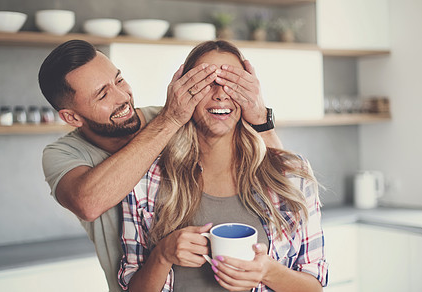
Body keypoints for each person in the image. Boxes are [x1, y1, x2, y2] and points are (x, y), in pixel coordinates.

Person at [39, 39, 283, 291]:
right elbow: (88, 203)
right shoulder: (63, 153)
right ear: (72, 117)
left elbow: (285, 189)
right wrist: (171, 118)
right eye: (103, 94)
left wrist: (261, 120)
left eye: (119, 80)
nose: (123, 97)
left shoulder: (182, 116)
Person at [119, 40, 328, 292]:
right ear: (183, 92)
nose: (220, 94)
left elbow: (314, 286)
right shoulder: (145, 179)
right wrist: (162, 255)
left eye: (233, 83)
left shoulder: (291, 173)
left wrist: (268, 271)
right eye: (206, 83)